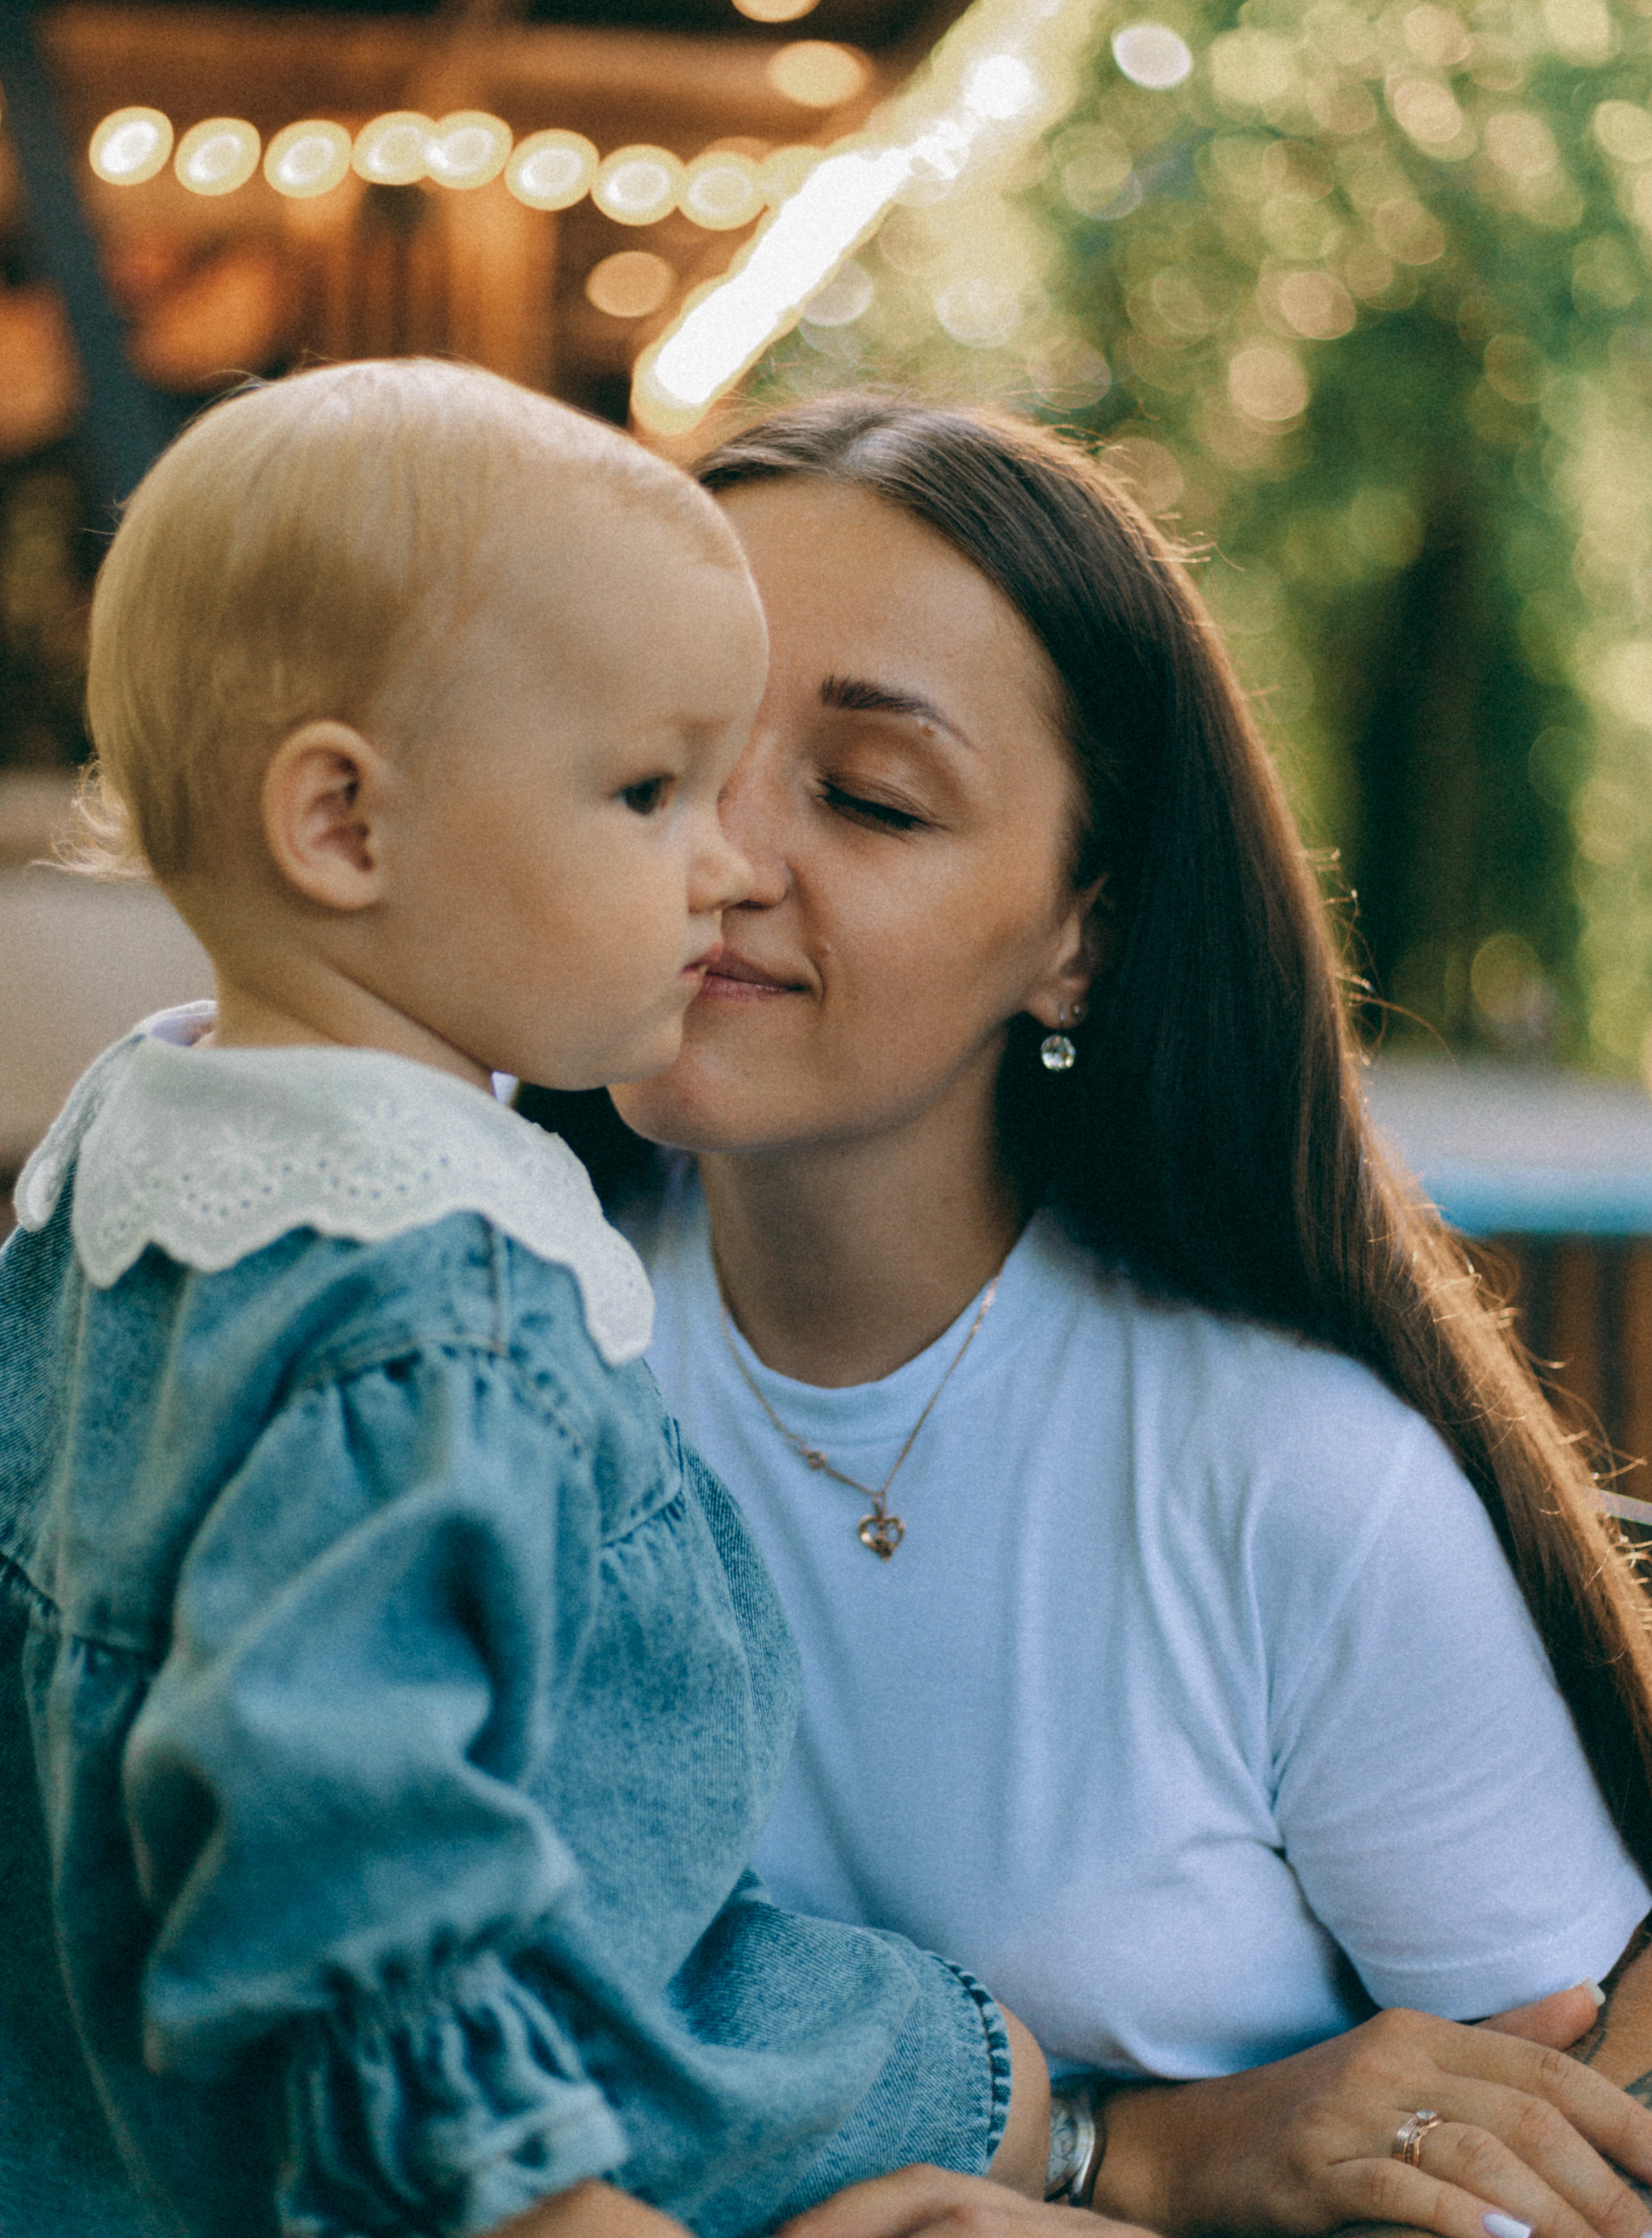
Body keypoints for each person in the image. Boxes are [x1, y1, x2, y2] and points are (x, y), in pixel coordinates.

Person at [519, 394, 1652, 2238]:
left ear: (1081, 938)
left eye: (870, 796)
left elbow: (1578, 2162)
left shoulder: (1290, 1479)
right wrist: (1120, 2152)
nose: (720, 852)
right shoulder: (459, 1352)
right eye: (664, 758)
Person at [0, 363, 1067, 2238]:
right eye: (651, 790)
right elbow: (338, 1828)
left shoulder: (130, 1158)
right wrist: (524, 2196)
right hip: (476, 2079)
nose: (725, 866)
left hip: (92, 2092)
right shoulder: (434, 1308)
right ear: (345, 826)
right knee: (984, 2077)